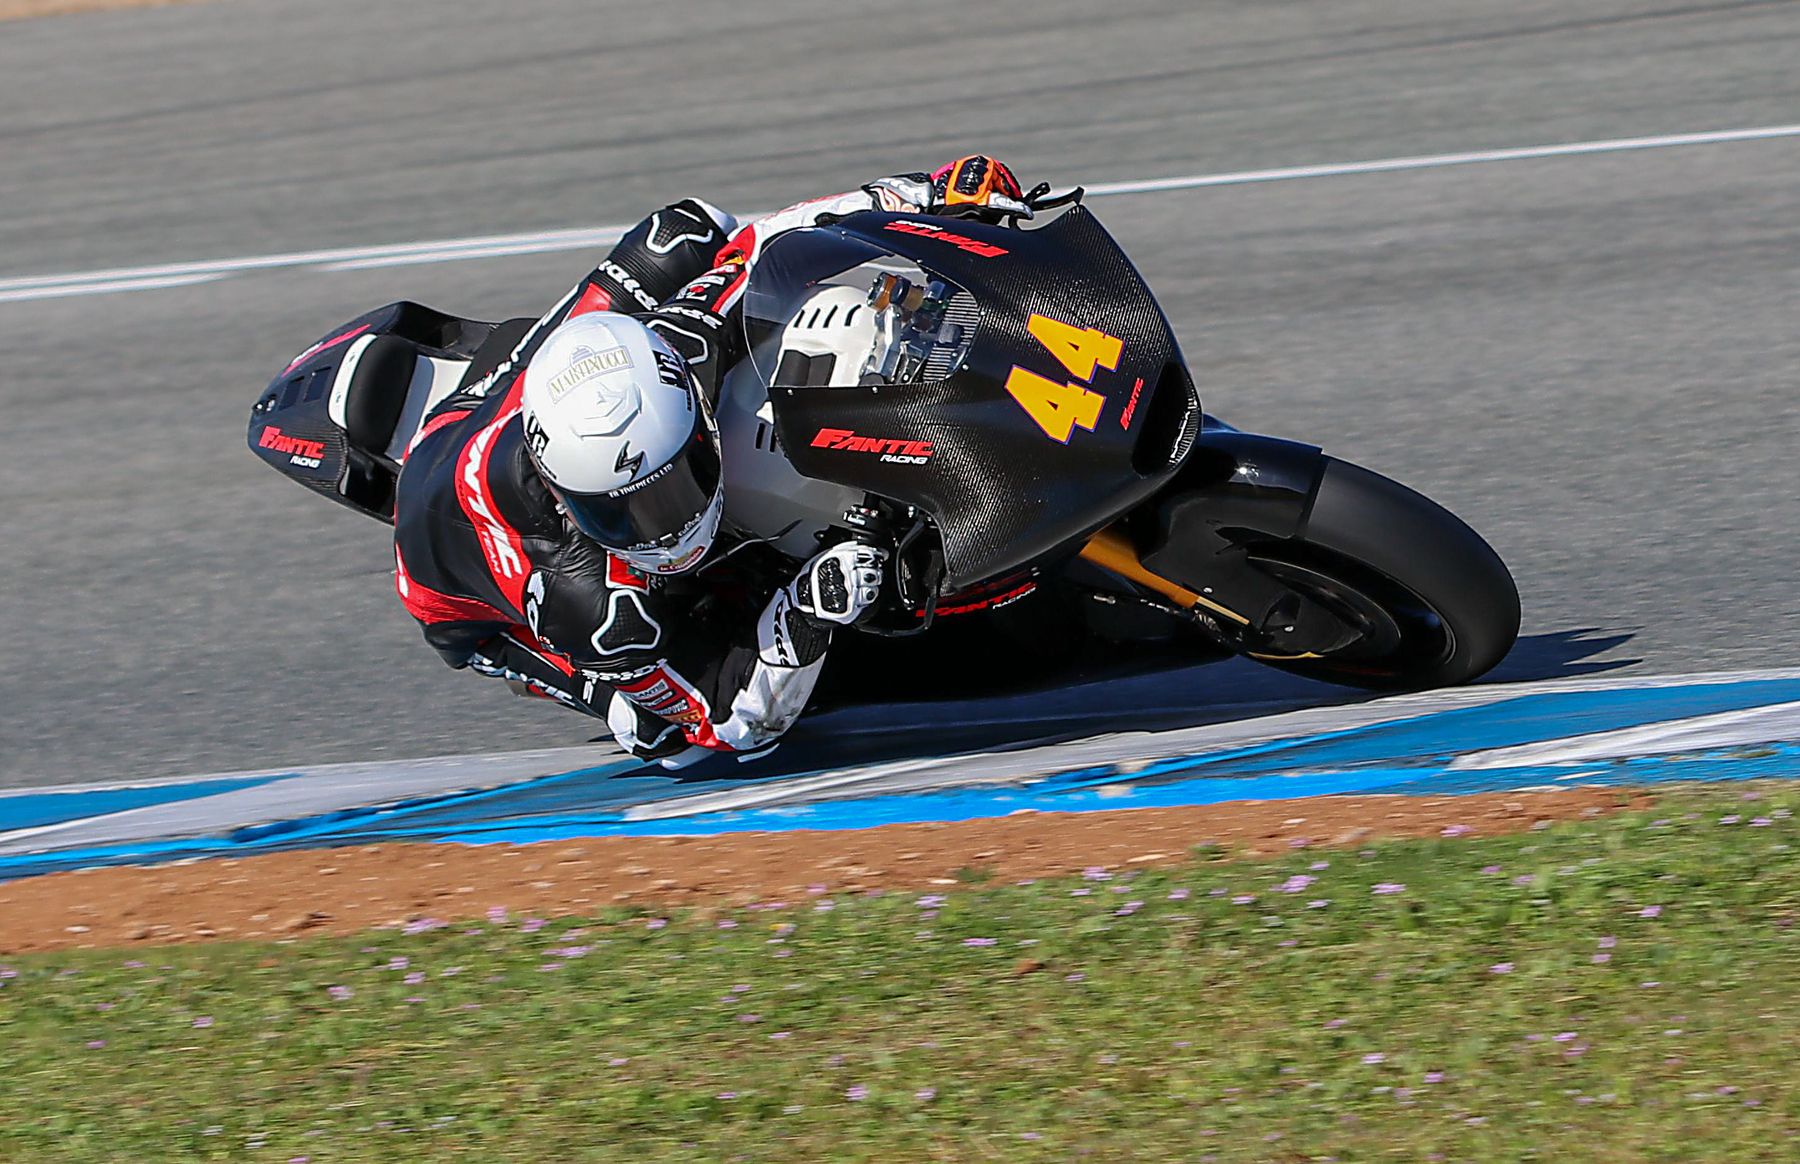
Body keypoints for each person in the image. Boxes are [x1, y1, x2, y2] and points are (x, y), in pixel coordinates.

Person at [390, 156, 1032, 768]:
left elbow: (770, 244)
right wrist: (805, 611)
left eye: (676, 484)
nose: (665, 526)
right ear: (563, 497)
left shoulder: (682, 345)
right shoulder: (584, 599)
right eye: (626, 514)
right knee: (660, 734)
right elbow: (727, 722)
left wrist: (920, 194)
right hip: (454, 582)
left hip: (518, 392)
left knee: (687, 232)